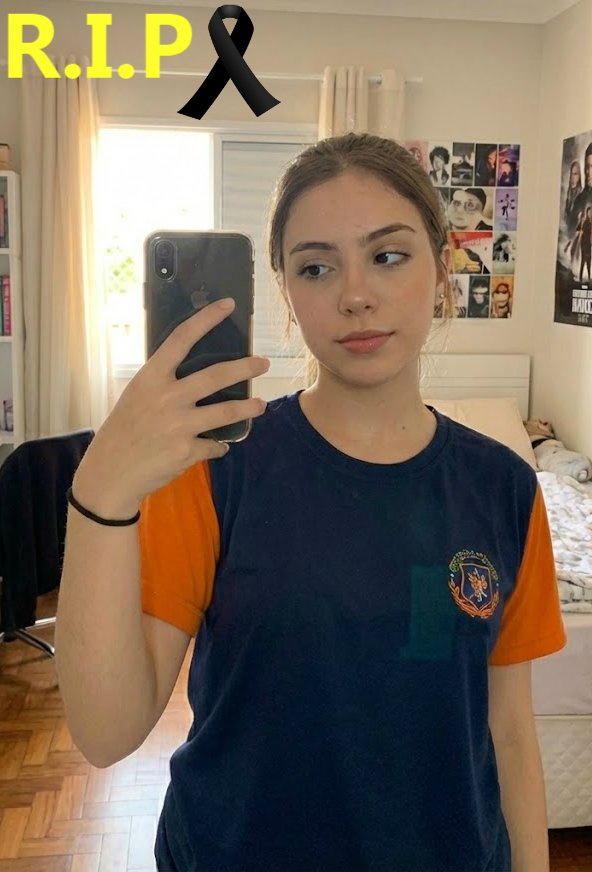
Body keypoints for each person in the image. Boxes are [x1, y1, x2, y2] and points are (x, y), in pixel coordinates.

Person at [56, 132, 565, 872]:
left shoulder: (504, 487)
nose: (355, 295)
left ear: (442, 272)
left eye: (388, 255)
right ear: (287, 296)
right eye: (316, 267)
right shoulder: (217, 469)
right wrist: (100, 492)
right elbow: (106, 734)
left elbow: (509, 729)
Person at [564, 160, 583, 226]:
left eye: (575, 174)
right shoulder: (569, 194)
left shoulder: (581, 195)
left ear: (579, 176)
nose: (573, 177)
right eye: (571, 174)